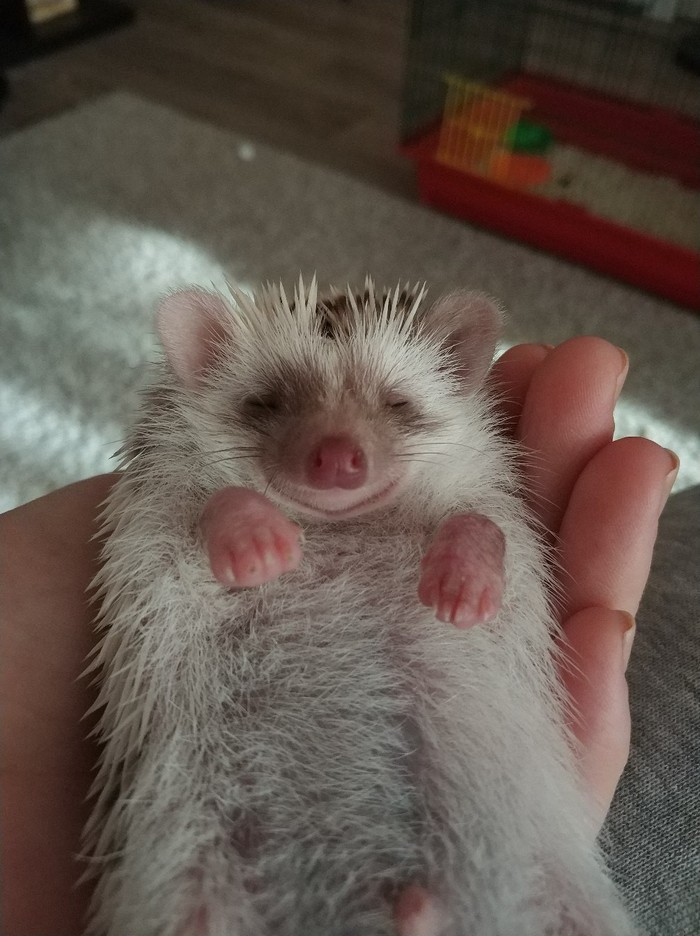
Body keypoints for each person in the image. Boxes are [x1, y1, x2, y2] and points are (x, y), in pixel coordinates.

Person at [0, 337, 678, 936]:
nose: (338, 450)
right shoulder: (193, 488)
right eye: (268, 403)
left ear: (461, 387)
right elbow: (172, 571)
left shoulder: (459, 490)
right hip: (247, 834)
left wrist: (475, 542)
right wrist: (227, 514)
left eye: (400, 409)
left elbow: (486, 524)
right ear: (196, 374)